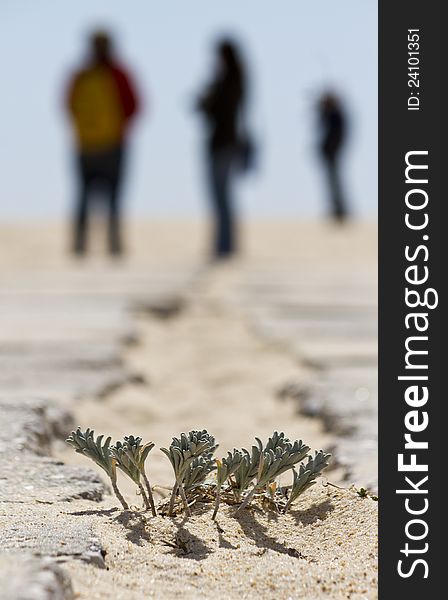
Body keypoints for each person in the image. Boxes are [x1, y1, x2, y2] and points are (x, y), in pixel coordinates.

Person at [66, 30, 140, 255]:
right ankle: (114, 245)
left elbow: (68, 105)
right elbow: (134, 106)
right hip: (113, 144)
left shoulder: (82, 74)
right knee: (114, 198)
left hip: (85, 145)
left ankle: (80, 246)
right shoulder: (118, 74)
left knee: (82, 197)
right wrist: (120, 130)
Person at [196, 38, 249, 259]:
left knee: (221, 196)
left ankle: (225, 245)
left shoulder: (227, 82)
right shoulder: (237, 80)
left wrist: (207, 97)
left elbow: (210, 108)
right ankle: (225, 244)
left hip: (222, 143)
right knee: (223, 196)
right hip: (228, 142)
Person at [318, 91, 348, 222]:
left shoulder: (336, 114)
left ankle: (340, 210)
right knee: (332, 182)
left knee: (335, 182)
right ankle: (337, 210)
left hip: (333, 152)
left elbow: (337, 135)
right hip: (330, 153)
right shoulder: (332, 114)